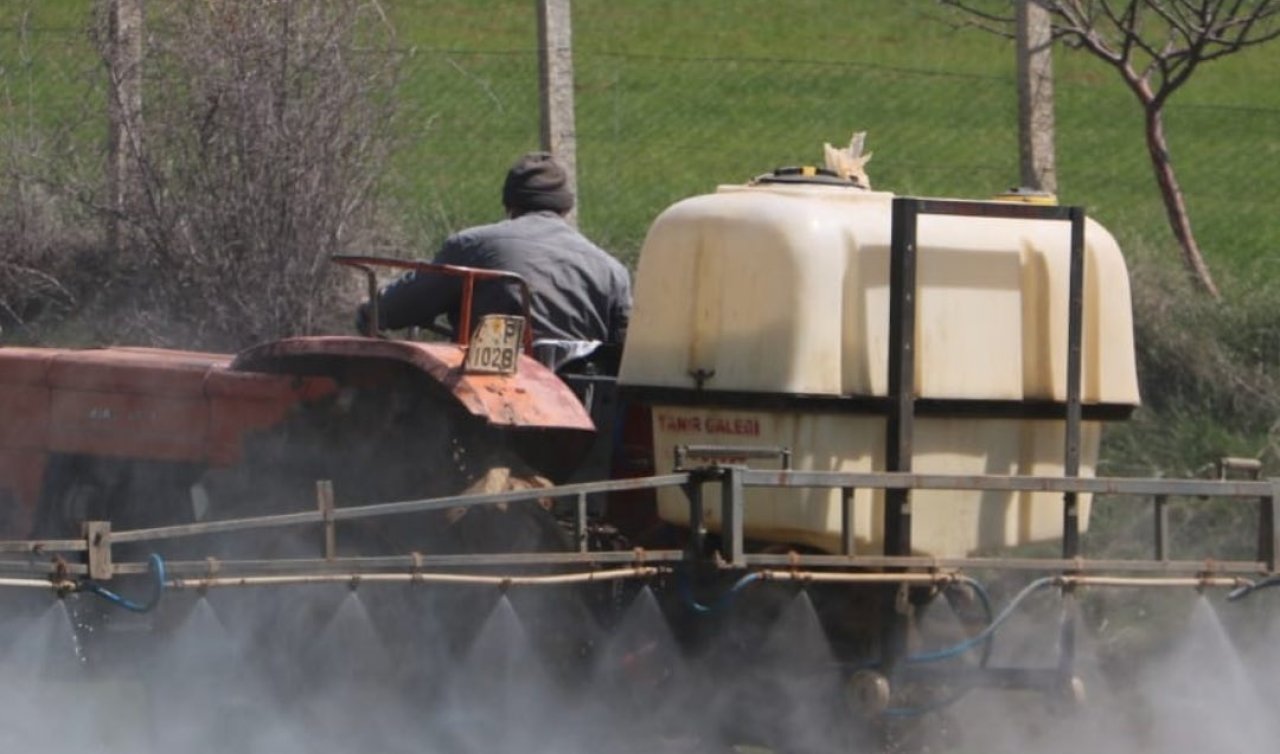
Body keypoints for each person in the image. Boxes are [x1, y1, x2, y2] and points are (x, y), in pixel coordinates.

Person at [358, 152, 631, 354]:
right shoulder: (611, 270)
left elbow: (408, 302)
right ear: (566, 208)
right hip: (582, 402)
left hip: (496, 387)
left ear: (509, 204)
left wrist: (373, 311)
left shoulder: (473, 246)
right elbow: (625, 346)